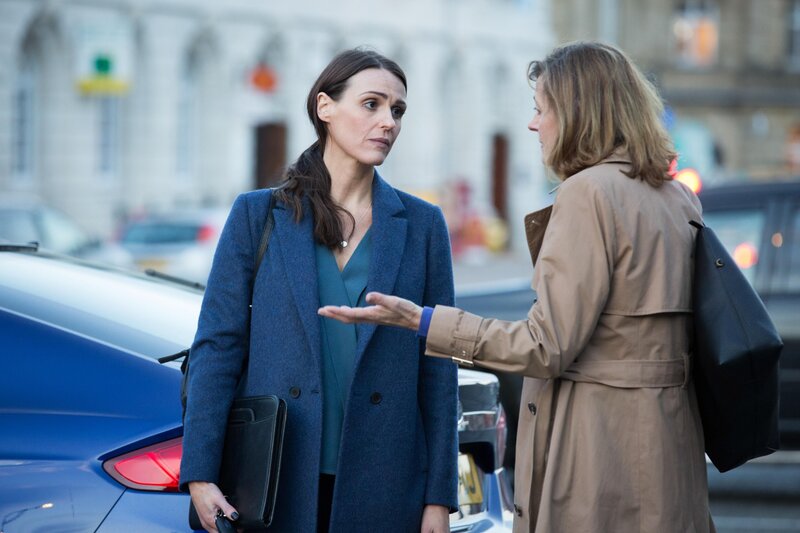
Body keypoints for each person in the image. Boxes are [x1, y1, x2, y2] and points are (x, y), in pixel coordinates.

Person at [319, 42, 715, 533]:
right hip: (669, 452)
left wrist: (421, 319)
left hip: (600, 454)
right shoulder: (676, 196)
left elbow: (546, 345)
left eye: (540, 108)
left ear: (576, 112)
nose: (533, 124)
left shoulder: (588, 193)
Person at [180, 48, 458, 533]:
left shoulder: (423, 224)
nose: (388, 121)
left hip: (388, 483)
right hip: (278, 478)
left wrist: (439, 497)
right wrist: (200, 474)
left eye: (397, 110)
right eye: (371, 104)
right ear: (324, 107)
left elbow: (438, 369)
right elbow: (217, 347)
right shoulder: (257, 215)